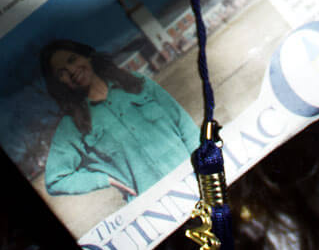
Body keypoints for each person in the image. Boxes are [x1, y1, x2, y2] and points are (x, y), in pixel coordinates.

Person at [39, 40, 199, 199]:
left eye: (72, 60)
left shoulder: (132, 82)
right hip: (155, 205)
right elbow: (55, 180)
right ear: (59, 83)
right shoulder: (71, 126)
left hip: (194, 177)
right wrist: (104, 180)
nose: (72, 70)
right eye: (62, 72)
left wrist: (204, 164)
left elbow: (184, 125)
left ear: (87, 56)